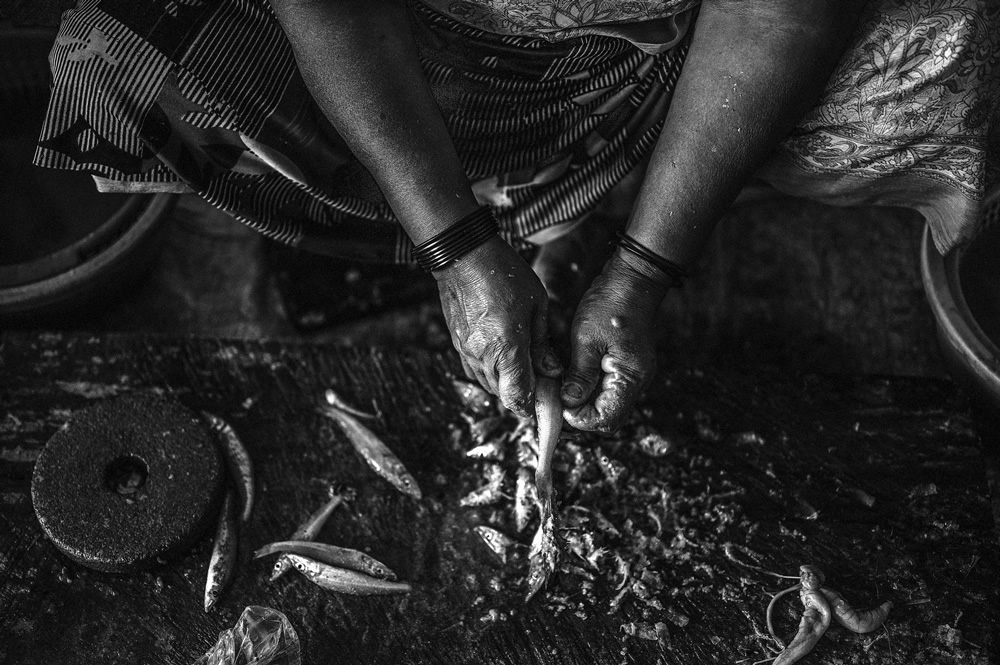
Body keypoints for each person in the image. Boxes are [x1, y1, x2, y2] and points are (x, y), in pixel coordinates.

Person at [35, 0, 1000, 431]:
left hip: (652, 31)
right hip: (439, 28)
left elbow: (780, 12)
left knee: (936, 60)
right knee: (137, 65)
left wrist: (643, 269)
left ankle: (618, 182)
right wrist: (455, 246)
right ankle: (510, 199)